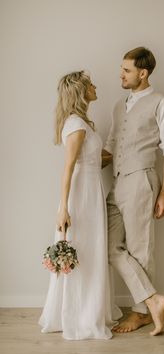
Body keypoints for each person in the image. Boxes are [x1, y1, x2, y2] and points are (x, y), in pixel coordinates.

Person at [38, 71, 122, 340]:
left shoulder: (85, 123)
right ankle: (80, 315)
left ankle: (91, 309)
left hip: (91, 190)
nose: (96, 86)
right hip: (80, 195)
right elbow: (68, 168)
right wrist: (63, 208)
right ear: (81, 91)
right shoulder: (75, 124)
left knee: (91, 250)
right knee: (83, 251)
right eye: (90, 84)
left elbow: (96, 161)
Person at [102, 47, 164, 335]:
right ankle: (153, 299)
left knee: (140, 249)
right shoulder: (118, 106)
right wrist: (79, 162)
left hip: (142, 180)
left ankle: (141, 313)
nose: (120, 74)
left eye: (126, 70)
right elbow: (110, 146)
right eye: (121, 68)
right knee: (110, 247)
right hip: (118, 181)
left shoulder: (162, 103)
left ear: (143, 73)